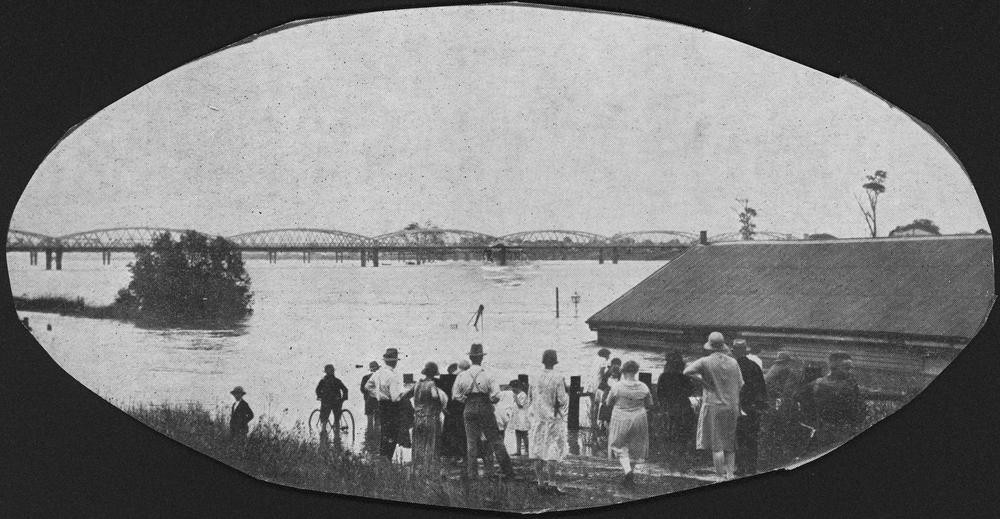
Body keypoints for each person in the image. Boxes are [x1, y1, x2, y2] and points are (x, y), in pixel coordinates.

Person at [683, 332, 744, 480]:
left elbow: (687, 372)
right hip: (731, 406)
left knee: (717, 445)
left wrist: (704, 382)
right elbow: (741, 384)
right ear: (723, 346)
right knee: (730, 443)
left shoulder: (705, 361)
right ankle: (730, 475)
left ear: (709, 346)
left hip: (713, 405)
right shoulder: (733, 362)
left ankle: (719, 477)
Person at [452, 343, 516, 480]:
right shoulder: (487, 374)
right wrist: (489, 401)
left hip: (469, 407)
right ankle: (508, 472)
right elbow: (496, 396)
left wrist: (467, 401)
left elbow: (455, 395)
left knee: (471, 442)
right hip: (485, 406)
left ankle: (472, 474)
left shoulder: (462, 375)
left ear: (470, 358)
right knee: (495, 440)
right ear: (481, 358)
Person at [607, 360, 653, 488]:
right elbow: (650, 403)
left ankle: (627, 471)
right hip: (639, 418)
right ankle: (630, 475)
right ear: (636, 371)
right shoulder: (643, 387)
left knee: (618, 445)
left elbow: (608, 402)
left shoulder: (617, 386)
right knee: (635, 445)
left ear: (623, 371)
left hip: (621, 418)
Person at [528, 350, 569, 493]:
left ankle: (540, 482)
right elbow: (562, 400)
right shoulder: (558, 377)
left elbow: (530, 398)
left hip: (538, 418)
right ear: (555, 361)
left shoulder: (534, 377)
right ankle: (551, 482)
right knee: (552, 449)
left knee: (537, 450)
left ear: (543, 360)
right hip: (552, 418)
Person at [403, 362, 449, 474]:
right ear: (434, 374)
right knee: (431, 445)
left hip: (418, 418)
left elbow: (405, 396)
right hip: (431, 418)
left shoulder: (417, 384)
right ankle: (429, 471)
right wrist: (441, 407)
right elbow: (434, 396)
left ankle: (417, 469)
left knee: (418, 444)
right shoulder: (432, 384)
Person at [811, 352, 864, 447]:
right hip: (827, 431)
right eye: (846, 368)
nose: (850, 371)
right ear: (833, 368)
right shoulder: (818, 384)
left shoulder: (851, 384)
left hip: (843, 430)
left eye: (850, 368)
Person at [732, 339, 767, 476]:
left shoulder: (733, 367)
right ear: (745, 351)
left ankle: (740, 468)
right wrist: (760, 406)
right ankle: (751, 469)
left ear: (734, 351)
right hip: (753, 409)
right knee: (752, 440)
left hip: (738, 407)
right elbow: (762, 388)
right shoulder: (754, 366)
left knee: (739, 439)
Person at [656, 351, 697, 471]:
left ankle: (671, 462)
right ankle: (682, 460)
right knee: (683, 436)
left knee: (670, 435)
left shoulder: (664, 377)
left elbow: (660, 393)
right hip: (684, 409)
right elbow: (691, 391)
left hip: (669, 409)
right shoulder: (685, 377)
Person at [365, 348, 406, 461]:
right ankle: (387, 458)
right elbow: (395, 397)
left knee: (385, 431)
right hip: (392, 407)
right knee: (393, 432)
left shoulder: (378, 373)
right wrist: (405, 395)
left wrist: (377, 394)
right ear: (395, 361)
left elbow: (367, 387)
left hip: (381, 405)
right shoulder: (392, 376)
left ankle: (383, 457)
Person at [439, 362, 467, 461]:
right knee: (461, 432)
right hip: (461, 409)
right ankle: (462, 455)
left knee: (449, 432)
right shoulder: (464, 377)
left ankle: (449, 455)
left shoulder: (446, 380)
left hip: (449, 410)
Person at [315, 364, 349, 434]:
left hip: (328, 401)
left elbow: (317, 390)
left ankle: (324, 433)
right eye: (331, 371)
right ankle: (336, 435)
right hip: (336, 401)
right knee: (336, 417)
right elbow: (345, 389)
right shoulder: (336, 381)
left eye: (331, 371)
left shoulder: (323, 381)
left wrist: (320, 396)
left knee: (324, 416)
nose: (331, 372)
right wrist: (343, 398)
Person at [586, 348, 612, 429]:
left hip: (590, 382)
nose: (609, 357)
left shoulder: (596, 359)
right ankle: (595, 424)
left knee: (592, 404)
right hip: (597, 383)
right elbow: (602, 373)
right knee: (596, 404)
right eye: (608, 355)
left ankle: (592, 422)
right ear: (606, 355)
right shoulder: (604, 360)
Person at [360, 361, 380, 446]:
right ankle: (377, 440)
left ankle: (369, 441)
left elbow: (362, 389)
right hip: (379, 401)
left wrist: (368, 393)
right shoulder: (381, 377)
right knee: (378, 422)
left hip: (369, 401)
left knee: (369, 421)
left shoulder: (365, 377)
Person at [509, 380, 531, 456]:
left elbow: (520, 405)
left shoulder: (523, 395)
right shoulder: (518, 395)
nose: (512, 389)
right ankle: (518, 450)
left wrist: (515, 398)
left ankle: (527, 450)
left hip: (522, 418)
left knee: (524, 434)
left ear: (516, 387)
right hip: (517, 417)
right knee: (517, 433)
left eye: (513, 388)